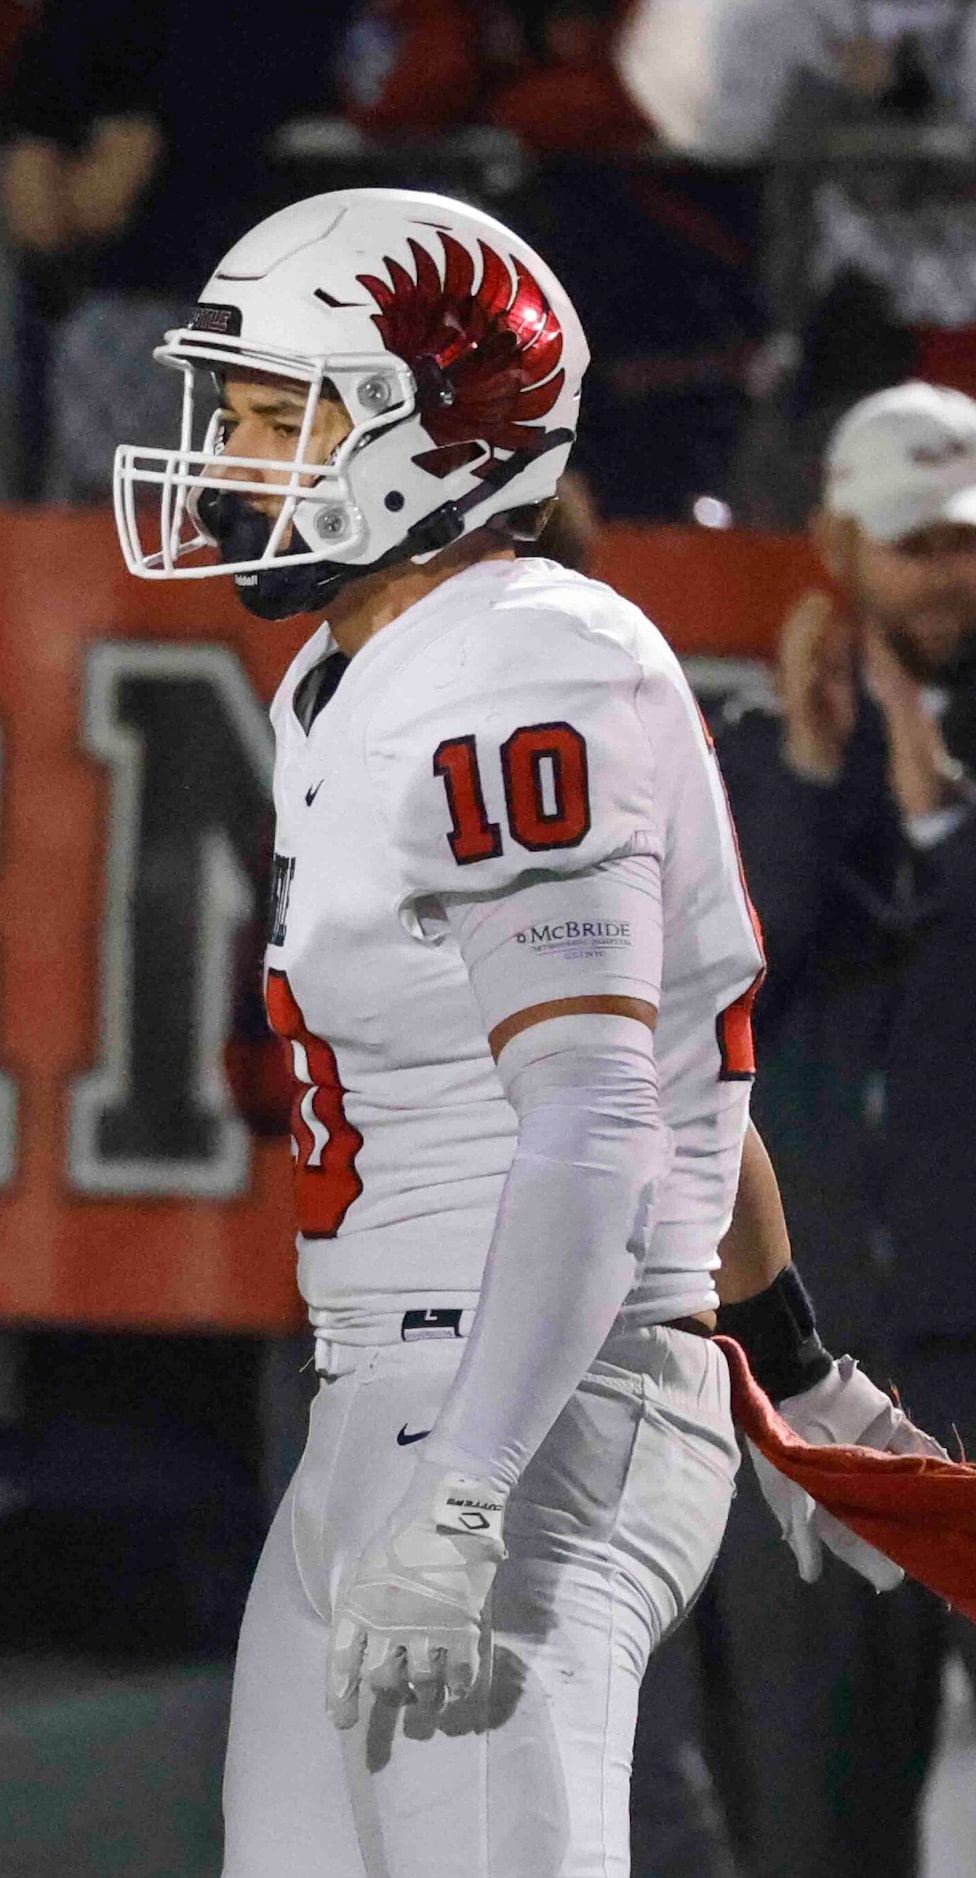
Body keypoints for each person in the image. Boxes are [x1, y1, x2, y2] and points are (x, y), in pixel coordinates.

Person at [112, 185, 934, 1875]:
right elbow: (688, 1066)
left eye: (283, 418)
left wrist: (474, 1491)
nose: (235, 458)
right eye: (237, 412)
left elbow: (598, 1121)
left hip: (525, 1395)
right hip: (392, 1381)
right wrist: (797, 1365)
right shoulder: (358, 668)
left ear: (429, 439)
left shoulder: (523, 665)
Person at [703, 379, 976, 1878]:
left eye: (965, 541)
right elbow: (737, 982)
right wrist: (813, 773)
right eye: (914, 540)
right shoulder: (752, 758)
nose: (947, 572)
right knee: (816, 1829)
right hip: (822, 1378)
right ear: (835, 541)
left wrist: (942, 818)